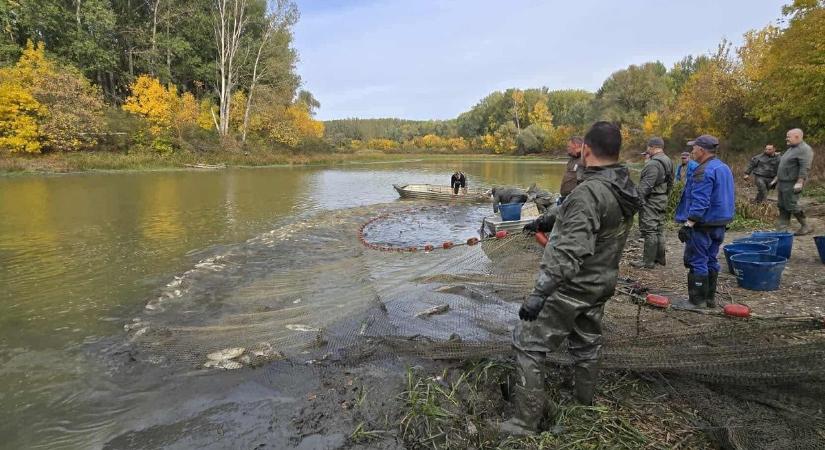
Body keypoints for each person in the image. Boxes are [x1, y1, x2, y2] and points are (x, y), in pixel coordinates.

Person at [497, 122, 641, 436]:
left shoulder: (589, 192)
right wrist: (543, 220)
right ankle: (584, 405)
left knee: (527, 343)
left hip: (570, 286)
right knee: (587, 343)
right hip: (601, 282)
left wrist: (539, 294)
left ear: (586, 150)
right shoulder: (621, 184)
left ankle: (524, 423)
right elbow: (579, 212)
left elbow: (567, 253)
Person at [674, 135, 735, 309]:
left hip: (703, 224)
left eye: (694, 148)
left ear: (701, 150)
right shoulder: (723, 167)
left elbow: (700, 202)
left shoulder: (703, 170)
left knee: (697, 260)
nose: (692, 151)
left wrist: (689, 224)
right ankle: (709, 299)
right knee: (711, 259)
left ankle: (696, 301)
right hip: (720, 223)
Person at [631, 137, 673, 269]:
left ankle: (648, 261)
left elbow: (646, 186)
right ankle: (660, 258)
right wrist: (665, 195)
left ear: (653, 147)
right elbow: (670, 182)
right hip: (662, 198)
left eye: (648, 147)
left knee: (650, 230)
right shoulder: (668, 160)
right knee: (659, 228)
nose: (647, 149)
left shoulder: (653, 164)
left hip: (652, 199)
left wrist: (638, 201)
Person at [771, 129, 814, 235]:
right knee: (782, 205)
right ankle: (782, 228)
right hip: (783, 182)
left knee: (791, 205)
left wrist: (800, 182)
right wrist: (776, 179)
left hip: (792, 183)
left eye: (788, 136)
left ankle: (806, 226)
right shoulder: (791, 149)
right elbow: (784, 166)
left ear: (797, 137)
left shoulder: (804, 149)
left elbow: (805, 167)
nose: (786, 138)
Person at [558, 136, 585, 204]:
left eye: (569, 146)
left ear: (576, 145)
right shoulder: (572, 159)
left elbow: (583, 183)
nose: (567, 149)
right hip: (565, 199)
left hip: (575, 200)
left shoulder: (585, 160)